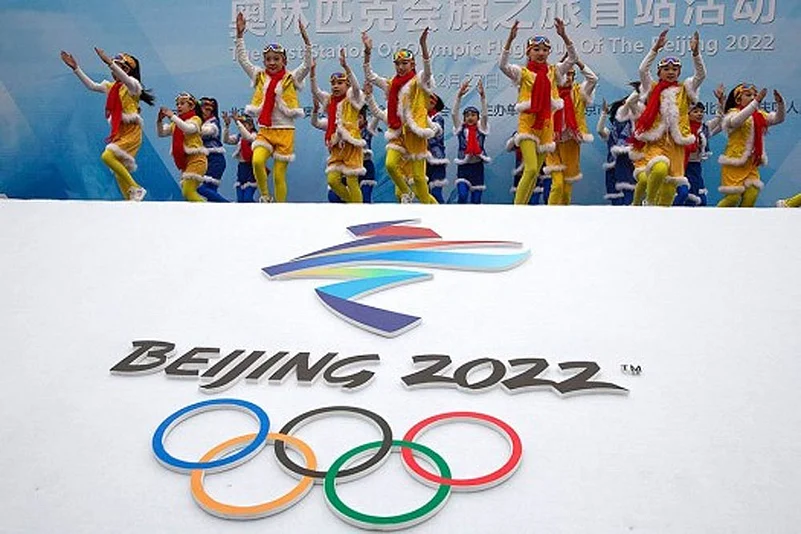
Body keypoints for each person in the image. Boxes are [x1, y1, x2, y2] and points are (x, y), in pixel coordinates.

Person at [235, 12, 312, 202]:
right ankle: (265, 196)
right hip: (265, 130)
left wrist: (306, 41)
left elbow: (307, 65)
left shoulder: (291, 78)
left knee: (278, 175)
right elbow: (243, 60)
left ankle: (280, 209)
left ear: (284, 61)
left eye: (276, 59)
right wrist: (239, 35)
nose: (272, 62)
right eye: (268, 59)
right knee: (257, 160)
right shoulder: (259, 75)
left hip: (285, 131)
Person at [499, 18, 577, 205]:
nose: (541, 53)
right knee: (532, 168)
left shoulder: (554, 71)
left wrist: (564, 35)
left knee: (536, 174)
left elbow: (573, 58)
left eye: (544, 50)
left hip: (546, 126)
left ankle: (523, 208)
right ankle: (516, 209)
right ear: (528, 52)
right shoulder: (522, 73)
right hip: (527, 124)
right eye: (536, 49)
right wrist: (510, 40)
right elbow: (503, 66)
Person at [60, 48, 154, 201]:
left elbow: (127, 80)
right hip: (120, 131)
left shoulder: (132, 87)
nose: (113, 70)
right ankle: (130, 200)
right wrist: (76, 68)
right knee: (118, 171)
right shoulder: (112, 87)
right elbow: (92, 86)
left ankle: (136, 187)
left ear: (127, 70)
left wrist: (109, 62)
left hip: (131, 131)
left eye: (120, 67)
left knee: (107, 156)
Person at [362, 28, 438, 204]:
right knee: (390, 164)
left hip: (415, 133)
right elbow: (370, 76)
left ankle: (434, 212)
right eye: (397, 64)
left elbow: (427, 72)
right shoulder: (391, 84)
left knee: (419, 179)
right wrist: (367, 52)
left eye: (405, 63)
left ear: (412, 64)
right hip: (397, 131)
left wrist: (423, 45)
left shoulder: (419, 82)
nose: (400, 67)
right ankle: (405, 192)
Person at [632, 29, 706, 207]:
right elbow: (642, 70)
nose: (670, 72)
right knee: (659, 168)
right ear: (659, 72)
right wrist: (655, 49)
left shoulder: (685, 89)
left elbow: (701, 75)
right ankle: (648, 202)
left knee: (669, 190)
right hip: (656, 142)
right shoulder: (652, 88)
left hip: (677, 145)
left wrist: (696, 54)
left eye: (674, 69)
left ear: (679, 72)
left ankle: (660, 217)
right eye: (666, 69)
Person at [310, 50, 366, 203]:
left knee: (352, 181)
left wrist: (346, 67)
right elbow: (315, 91)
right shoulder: (329, 101)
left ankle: (359, 210)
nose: (335, 86)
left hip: (351, 143)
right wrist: (312, 72)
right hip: (335, 144)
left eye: (340, 83)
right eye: (333, 83)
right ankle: (354, 204)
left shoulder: (352, 99)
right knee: (333, 180)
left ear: (347, 85)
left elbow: (356, 88)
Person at [717, 84, 785, 207]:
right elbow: (736, 121)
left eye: (754, 95)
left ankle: (742, 220)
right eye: (748, 95)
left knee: (752, 195)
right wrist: (756, 102)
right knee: (733, 198)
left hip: (752, 163)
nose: (753, 97)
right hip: (734, 163)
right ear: (738, 99)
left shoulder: (759, 115)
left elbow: (778, 119)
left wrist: (780, 103)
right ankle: (713, 217)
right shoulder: (733, 113)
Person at [547, 55, 598, 205]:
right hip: (552, 141)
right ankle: (549, 215)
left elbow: (593, 79)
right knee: (557, 185)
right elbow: (546, 75)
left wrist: (578, 62)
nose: (568, 77)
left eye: (571, 74)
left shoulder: (579, 92)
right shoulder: (550, 92)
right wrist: (560, 64)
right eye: (565, 73)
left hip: (571, 141)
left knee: (567, 185)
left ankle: (564, 215)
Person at [675, 86, 725, 206]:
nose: (699, 114)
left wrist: (720, 102)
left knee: (699, 197)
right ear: (688, 114)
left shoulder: (705, 128)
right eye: (695, 111)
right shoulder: (680, 128)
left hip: (695, 166)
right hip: (680, 166)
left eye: (701, 112)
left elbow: (719, 118)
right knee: (684, 194)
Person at [157, 93, 208, 202]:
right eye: (177, 104)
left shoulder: (196, 119)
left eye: (182, 103)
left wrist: (172, 116)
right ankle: (202, 209)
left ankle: (207, 209)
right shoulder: (176, 123)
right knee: (187, 193)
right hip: (186, 162)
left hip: (197, 160)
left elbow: (188, 129)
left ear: (191, 106)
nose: (178, 106)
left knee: (188, 192)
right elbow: (161, 133)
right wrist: (159, 121)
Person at [597, 87, 640, 206]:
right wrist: (604, 113)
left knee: (630, 198)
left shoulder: (634, 129)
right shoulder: (611, 133)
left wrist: (639, 90)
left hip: (629, 168)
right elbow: (600, 130)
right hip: (613, 170)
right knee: (616, 200)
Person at [452, 79, 491, 204]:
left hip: (477, 168)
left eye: (473, 115)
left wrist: (483, 97)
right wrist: (459, 96)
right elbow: (454, 114)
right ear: (464, 118)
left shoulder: (482, 129)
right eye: (467, 115)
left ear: (478, 118)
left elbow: (485, 115)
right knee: (462, 195)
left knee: (476, 200)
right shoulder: (460, 129)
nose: (470, 117)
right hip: (463, 168)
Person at [222, 109, 262, 202]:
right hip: (241, 168)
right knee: (240, 199)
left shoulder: (255, 136)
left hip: (251, 168)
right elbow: (226, 140)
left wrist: (237, 122)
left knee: (247, 198)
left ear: (251, 126)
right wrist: (227, 125)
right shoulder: (239, 137)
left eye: (245, 125)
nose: (242, 127)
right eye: (242, 124)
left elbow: (248, 137)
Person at [198, 97, 229, 202]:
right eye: (204, 109)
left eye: (209, 109)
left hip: (215, 160)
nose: (205, 112)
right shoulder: (200, 122)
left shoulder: (213, 123)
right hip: (206, 160)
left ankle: (229, 206)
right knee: (211, 193)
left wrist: (187, 126)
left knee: (200, 188)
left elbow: (206, 131)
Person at [426, 93, 449, 204]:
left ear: (434, 104)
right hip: (424, 160)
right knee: (425, 194)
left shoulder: (438, 118)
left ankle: (442, 213)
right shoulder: (421, 118)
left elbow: (435, 136)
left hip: (437, 160)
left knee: (436, 193)